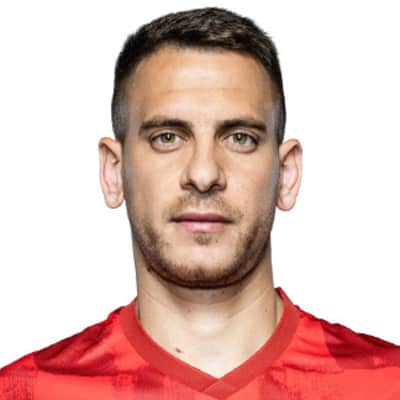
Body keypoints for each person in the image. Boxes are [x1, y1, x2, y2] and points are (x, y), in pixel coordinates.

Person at [1, 6, 399, 399]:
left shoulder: (387, 384)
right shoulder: (24, 392)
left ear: (287, 175)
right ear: (113, 172)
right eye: (167, 138)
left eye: (240, 138)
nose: (204, 174)